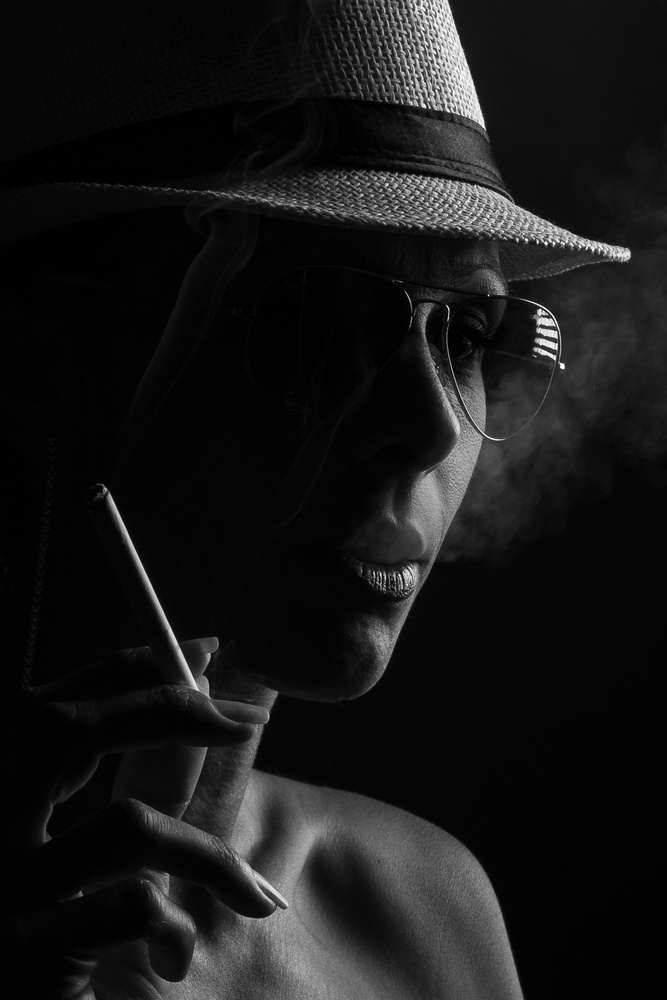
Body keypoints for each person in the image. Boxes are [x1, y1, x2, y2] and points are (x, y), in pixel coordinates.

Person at [0, 1, 629, 996]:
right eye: (306, 319)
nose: (430, 425)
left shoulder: (421, 918)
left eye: (468, 335)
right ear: (37, 359)